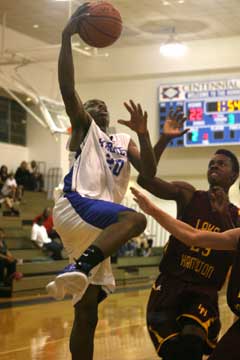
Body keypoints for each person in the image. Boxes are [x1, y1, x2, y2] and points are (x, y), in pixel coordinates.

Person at [46, 4, 156, 360]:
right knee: (135, 219)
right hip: (77, 204)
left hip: (97, 225)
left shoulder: (124, 142)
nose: (100, 106)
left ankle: (78, 274)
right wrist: (66, 37)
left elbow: (151, 176)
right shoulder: (83, 128)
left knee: (88, 310)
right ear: (83, 112)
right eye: (92, 103)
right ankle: (76, 267)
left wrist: (145, 133)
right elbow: (67, 87)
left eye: (103, 105)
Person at [136, 111, 240, 360]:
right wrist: (162, 139)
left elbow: (234, 249)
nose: (214, 165)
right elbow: (145, 178)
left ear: (234, 176)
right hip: (168, 285)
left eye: (221, 163)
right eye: (211, 163)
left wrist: (223, 214)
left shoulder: (237, 217)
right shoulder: (188, 194)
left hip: (203, 291)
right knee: (175, 353)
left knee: (193, 344)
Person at [131, 186, 240, 360]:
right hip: (172, 286)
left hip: (204, 291)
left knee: (192, 341)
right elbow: (192, 235)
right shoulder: (236, 235)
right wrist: (152, 210)